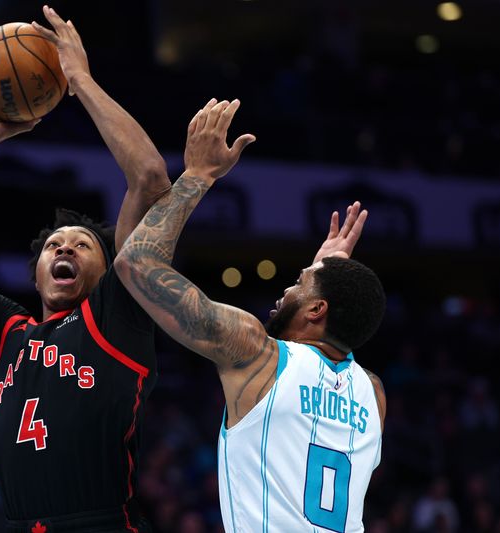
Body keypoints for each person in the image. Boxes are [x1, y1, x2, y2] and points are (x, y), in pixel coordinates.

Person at [0, 5, 170, 532]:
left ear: (109, 269)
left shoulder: (118, 312)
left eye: (83, 245)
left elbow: (151, 179)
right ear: (36, 272)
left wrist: (80, 80)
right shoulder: (7, 334)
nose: (65, 248)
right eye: (54, 246)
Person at [115, 98, 387, 533]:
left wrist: (198, 175)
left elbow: (135, 264)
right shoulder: (373, 395)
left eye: (298, 283)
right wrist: (326, 276)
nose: (286, 288)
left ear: (317, 310)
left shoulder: (257, 353)